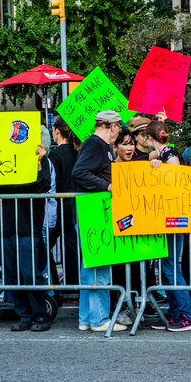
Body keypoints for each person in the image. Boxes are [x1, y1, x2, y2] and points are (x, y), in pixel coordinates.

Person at [0, 144, 52, 332]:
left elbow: (43, 185)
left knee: (30, 274)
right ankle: (25, 315)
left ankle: (40, 315)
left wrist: (40, 160)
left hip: (28, 228)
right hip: (5, 228)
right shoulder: (1, 168)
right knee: (12, 275)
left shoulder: (35, 162)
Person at [140, 120, 191, 331]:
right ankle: (176, 313)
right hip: (167, 218)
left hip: (172, 218)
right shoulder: (163, 153)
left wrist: (161, 168)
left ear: (149, 138)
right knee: (167, 267)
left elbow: (175, 176)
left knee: (171, 267)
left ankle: (186, 314)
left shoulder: (169, 154)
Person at [71, 110, 128, 332]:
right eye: (118, 128)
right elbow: (80, 172)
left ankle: (87, 319)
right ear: (111, 127)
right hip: (93, 211)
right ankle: (99, 319)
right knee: (99, 267)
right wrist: (107, 186)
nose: (119, 132)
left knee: (91, 267)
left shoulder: (96, 145)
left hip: (91, 210)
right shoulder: (96, 145)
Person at [46, 117, 81, 284]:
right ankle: (73, 283)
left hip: (59, 207)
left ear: (56, 132)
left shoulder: (54, 155)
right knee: (71, 246)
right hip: (76, 206)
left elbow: (53, 182)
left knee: (43, 247)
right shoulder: (78, 152)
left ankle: (54, 283)